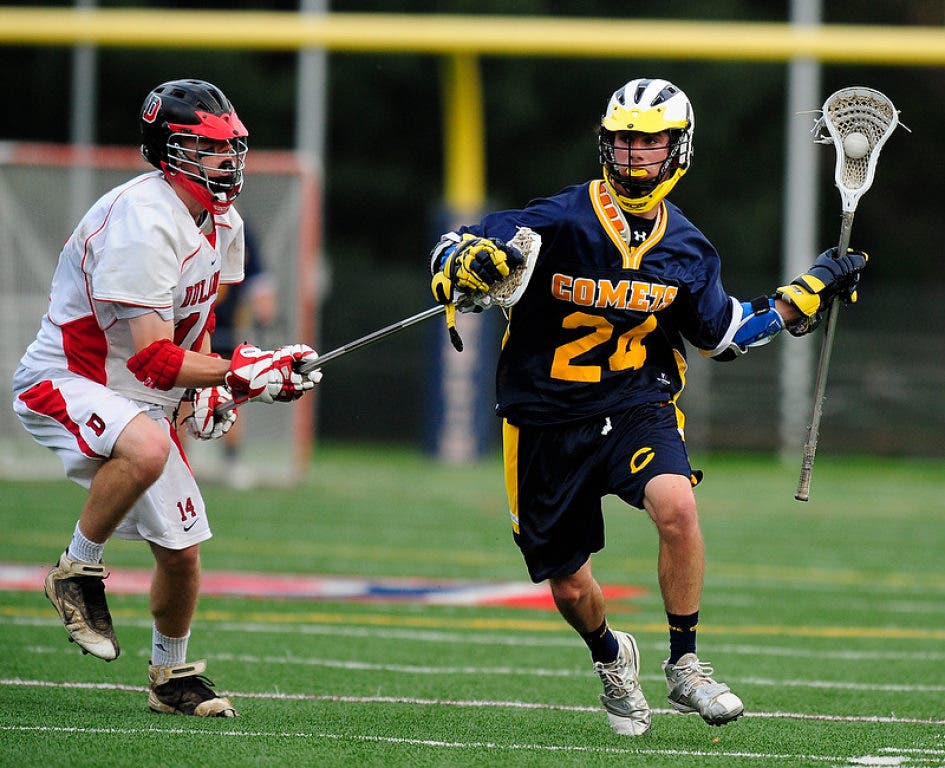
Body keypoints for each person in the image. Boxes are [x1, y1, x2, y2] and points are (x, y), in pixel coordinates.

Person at [428, 77, 867, 736]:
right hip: (544, 417)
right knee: (570, 586)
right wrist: (461, 264)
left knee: (676, 503)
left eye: (648, 143)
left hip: (637, 403)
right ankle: (610, 654)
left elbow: (722, 337)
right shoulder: (555, 221)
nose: (634, 156)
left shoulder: (686, 247)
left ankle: (685, 665)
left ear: (676, 148)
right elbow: (457, 247)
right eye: (624, 142)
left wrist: (807, 290)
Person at [11, 79, 322, 717]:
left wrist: (201, 397)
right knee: (149, 449)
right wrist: (240, 374)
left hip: (141, 393)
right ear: (170, 151)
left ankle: (169, 675)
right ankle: (75, 570)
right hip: (74, 377)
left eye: (231, 149)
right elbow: (154, 356)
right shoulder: (142, 222)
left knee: (182, 554)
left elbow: (195, 323)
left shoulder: (221, 221)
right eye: (210, 150)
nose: (227, 163)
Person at [206, 224, 278, 488]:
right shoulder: (181, 222)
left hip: (223, 330)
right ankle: (179, 459)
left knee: (232, 392)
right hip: (186, 326)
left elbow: (260, 286)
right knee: (183, 395)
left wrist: (263, 318)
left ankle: (231, 460)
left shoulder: (240, 230)